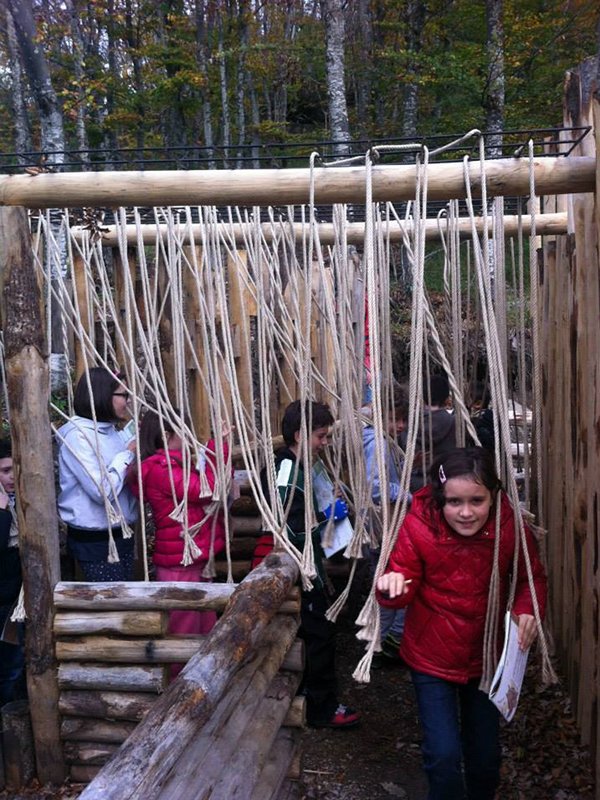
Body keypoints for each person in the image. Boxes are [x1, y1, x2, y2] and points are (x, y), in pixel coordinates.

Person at [376, 447, 547, 800]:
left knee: (485, 758)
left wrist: (527, 608)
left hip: (485, 658)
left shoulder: (509, 527)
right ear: (440, 499)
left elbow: (532, 579)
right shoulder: (418, 526)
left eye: (476, 500)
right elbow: (402, 579)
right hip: (431, 657)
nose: (466, 512)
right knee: (443, 756)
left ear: (494, 496)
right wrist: (393, 587)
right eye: (454, 502)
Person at [254, 400, 360, 729]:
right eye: (321, 436)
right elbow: (289, 527)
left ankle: (304, 699)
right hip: (298, 566)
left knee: (311, 633)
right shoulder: (288, 472)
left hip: (307, 563)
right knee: (318, 635)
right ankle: (321, 708)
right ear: (300, 435)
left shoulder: (303, 466)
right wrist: (325, 522)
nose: (325, 443)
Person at [128, 410, 230, 646]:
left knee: (204, 630)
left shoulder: (174, 466)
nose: (189, 437)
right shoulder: (161, 470)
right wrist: (219, 447)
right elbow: (208, 490)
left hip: (190, 558)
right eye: (184, 431)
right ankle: (178, 681)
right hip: (179, 563)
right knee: (183, 634)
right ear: (166, 435)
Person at [57, 368, 138, 581]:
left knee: (124, 602)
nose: (128, 401)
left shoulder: (110, 432)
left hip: (122, 535)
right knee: (109, 606)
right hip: (96, 542)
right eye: (124, 395)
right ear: (103, 395)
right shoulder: (78, 436)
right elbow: (101, 490)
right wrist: (128, 454)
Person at [363, 385, 410, 664]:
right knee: (389, 580)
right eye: (396, 419)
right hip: (382, 525)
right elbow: (375, 487)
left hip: (383, 524)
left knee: (388, 578)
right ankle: (384, 641)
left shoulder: (378, 435)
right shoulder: (376, 442)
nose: (401, 426)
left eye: (404, 419)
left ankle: (385, 638)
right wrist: (409, 496)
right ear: (380, 414)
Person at [0, 438, 26, 706]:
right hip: (4, 603)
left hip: (16, 603)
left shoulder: (19, 501)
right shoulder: (5, 508)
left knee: (15, 666)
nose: (11, 477)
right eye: (5, 471)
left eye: (14, 469)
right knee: (8, 670)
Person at [406, 373, 456, 493]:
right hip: (445, 482)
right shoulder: (454, 422)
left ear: (423, 396)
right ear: (446, 398)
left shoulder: (410, 421)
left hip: (413, 484)